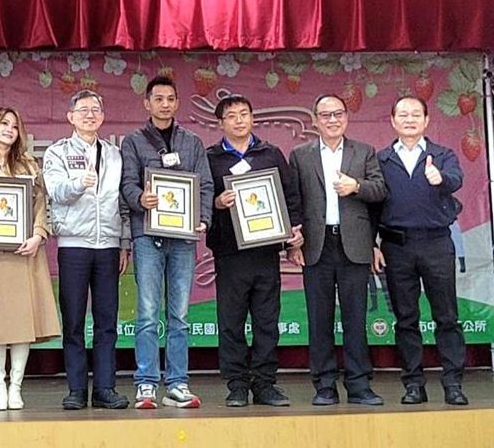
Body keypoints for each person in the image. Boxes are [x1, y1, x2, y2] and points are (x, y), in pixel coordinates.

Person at [120, 75, 213, 409]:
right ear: (147, 103)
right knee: (147, 312)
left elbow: (205, 185)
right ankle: (146, 383)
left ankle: (177, 383)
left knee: (180, 314)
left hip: (184, 237)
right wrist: (139, 198)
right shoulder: (133, 142)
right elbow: (127, 184)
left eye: (170, 99)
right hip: (148, 235)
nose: (164, 104)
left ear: (177, 103)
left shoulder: (192, 142)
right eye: (158, 99)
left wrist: (204, 218)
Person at [288, 94, 386, 406]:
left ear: (346, 117)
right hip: (315, 245)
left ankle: (359, 385)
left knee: (355, 318)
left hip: (354, 244)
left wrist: (356, 186)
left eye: (338, 114)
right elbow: (293, 201)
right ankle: (324, 385)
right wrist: (292, 243)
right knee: (319, 319)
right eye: (325, 115)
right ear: (315, 120)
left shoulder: (364, 151)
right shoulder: (300, 155)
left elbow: (380, 191)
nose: (332, 120)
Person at [205, 95, 303, 407]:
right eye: (232, 116)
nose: (239, 120)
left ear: (252, 118)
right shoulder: (211, 158)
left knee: (266, 321)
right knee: (231, 321)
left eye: (244, 114)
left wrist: (293, 237)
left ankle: (264, 384)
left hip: (265, 252)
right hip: (230, 253)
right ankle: (236, 385)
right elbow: (199, 200)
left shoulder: (270, 153)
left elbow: (291, 197)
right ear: (220, 123)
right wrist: (217, 202)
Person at [0, 107, 60, 411]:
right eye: (4, 124)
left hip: (24, 252)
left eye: (14, 127)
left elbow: (41, 205)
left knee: (21, 322)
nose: (9, 130)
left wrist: (38, 235)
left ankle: (16, 386)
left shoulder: (29, 164)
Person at [375, 96, 468, 406]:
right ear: (393, 121)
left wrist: (440, 178)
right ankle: (413, 384)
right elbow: (372, 204)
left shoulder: (442, 155)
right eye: (403, 114)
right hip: (396, 247)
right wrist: (373, 244)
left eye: (416, 114)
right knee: (406, 319)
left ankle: (453, 383)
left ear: (427, 120)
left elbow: (456, 179)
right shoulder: (381, 159)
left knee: (447, 317)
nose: (410, 119)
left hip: (436, 243)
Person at [43, 90, 129, 411]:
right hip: (74, 246)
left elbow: (123, 203)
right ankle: (76, 389)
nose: (90, 115)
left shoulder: (115, 154)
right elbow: (56, 191)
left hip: (108, 246)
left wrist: (123, 243)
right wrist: (80, 183)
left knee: (107, 321)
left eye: (95, 110)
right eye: (83, 110)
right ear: (71, 116)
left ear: (103, 117)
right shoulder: (57, 152)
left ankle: (105, 388)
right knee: (74, 320)